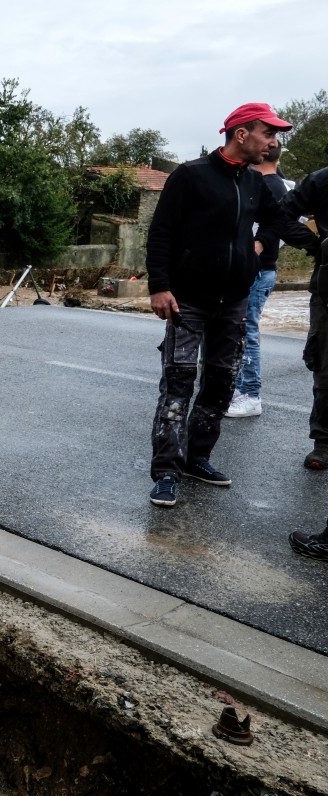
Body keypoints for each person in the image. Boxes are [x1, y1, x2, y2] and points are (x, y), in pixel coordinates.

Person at [145, 103, 312, 508]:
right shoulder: (191, 175)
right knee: (178, 385)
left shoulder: (255, 182)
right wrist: (159, 286)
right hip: (188, 301)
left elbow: (281, 219)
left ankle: (197, 459)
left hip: (234, 302)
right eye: (268, 133)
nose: (274, 142)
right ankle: (166, 470)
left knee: (220, 384)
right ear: (241, 134)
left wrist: (265, 245)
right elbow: (161, 231)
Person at [224, 143, 304, 418]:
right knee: (243, 329)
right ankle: (241, 390)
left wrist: (255, 248)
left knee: (246, 331)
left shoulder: (268, 186)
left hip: (257, 268)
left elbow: (272, 227)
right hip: (262, 267)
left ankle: (250, 394)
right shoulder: (280, 184)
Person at [277, 166, 328, 470]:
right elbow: (279, 215)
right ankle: (324, 442)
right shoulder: (321, 180)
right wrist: (316, 246)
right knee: (325, 365)